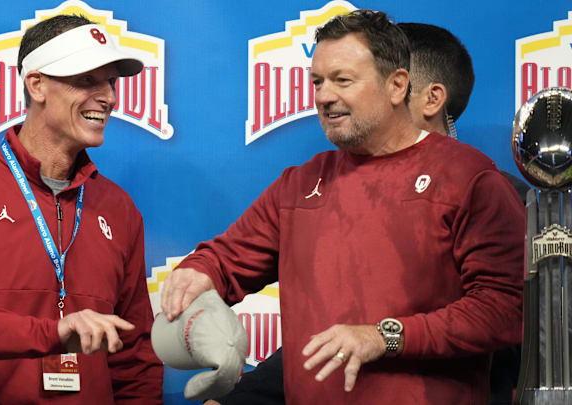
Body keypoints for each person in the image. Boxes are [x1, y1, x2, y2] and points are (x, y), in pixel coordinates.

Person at [162, 9, 524, 405]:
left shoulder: (470, 178)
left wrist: (383, 337)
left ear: (396, 85)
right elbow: (227, 259)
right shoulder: (299, 185)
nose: (323, 96)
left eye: (342, 80)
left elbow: (504, 309)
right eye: (317, 81)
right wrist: (199, 272)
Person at [0, 14, 162, 404]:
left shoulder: (118, 208)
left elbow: (134, 353)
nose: (108, 97)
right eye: (87, 79)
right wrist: (50, 334)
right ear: (36, 85)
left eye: (110, 82)